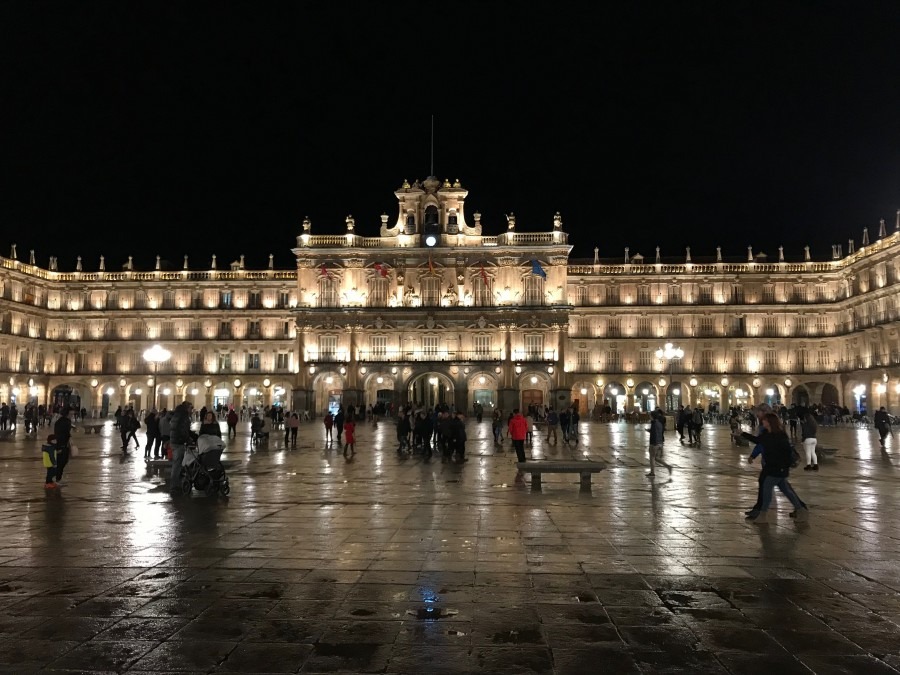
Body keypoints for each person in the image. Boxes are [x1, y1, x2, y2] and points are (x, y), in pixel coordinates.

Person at [745, 413, 809, 523]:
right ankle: (801, 510)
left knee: (767, 491)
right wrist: (742, 434)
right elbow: (757, 441)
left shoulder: (780, 436)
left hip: (777, 468)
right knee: (786, 491)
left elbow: (787, 452)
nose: (763, 422)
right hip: (771, 467)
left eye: (765, 420)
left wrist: (784, 466)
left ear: (770, 422)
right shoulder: (766, 434)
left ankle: (763, 515)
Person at [168, 401, 194, 494]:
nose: (192, 410)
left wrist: (193, 435)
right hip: (179, 442)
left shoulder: (177, 414)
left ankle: (177, 484)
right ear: (187, 408)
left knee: (178, 464)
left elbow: (183, 430)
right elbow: (183, 431)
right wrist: (189, 440)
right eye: (191, 408)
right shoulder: (184, 416)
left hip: (174, 441)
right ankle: (174, 487)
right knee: (177, 465)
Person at [647, 408, 672, 477]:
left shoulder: (654, 424)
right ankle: (668, 466)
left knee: (652, 457)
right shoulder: (659, 423)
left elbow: (655, 434)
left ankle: (652, 472)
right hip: (660, 442)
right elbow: (660, 432)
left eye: (650, 415)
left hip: (655, 443)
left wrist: (653, 444)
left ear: (652, 416)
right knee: (657, 458)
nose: (649, 416)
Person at [52, 408, 74, 485]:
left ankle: (57, 477)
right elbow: (66, 433)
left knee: (60, 461)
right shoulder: (67, 422)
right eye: (71, 414)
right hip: (63, 444)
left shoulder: (59, 421)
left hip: (58, 443)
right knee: (62, 461)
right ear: (67, 414)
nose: (72, 416)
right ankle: (57, 479)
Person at [508, 408, 529, 484]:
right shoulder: (523, 419)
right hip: (522, 436)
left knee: (517, 448)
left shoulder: (512, 420)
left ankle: (520, 459)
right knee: (522, 447)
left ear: (514, 413)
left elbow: (510, 429)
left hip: (516, 436)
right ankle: (523, 458)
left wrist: (512, 434)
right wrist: (523, 432)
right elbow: (526, 427)